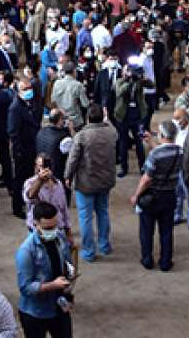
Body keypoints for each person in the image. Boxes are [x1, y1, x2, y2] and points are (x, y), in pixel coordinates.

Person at [64, 103, 116, 263]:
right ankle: (104, 244)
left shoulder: (82, 136)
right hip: (105, 180)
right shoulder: (111, 132)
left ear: (87, 118)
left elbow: (73, 159)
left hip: (85, 182)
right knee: (103, 212)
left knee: (85, 217)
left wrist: (68, 176)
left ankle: (89, 251)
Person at [15, 201, 75, 338]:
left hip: (59, 307)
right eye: (47, 228)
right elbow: (25, 288)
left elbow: (67, 263)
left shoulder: (59, 238)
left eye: (55, 226)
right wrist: (53, 285)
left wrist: (68, 283)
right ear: (35, 224)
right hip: (35, 313)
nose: (53, 231)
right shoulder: (26, 251)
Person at [130, 120, 182, 272]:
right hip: (169, 195)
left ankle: (147, 259)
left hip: (152, 197)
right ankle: (165, 261)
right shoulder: (180, 151)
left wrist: (136, 195)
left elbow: (146, 179)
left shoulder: (155, 154)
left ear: (162, 135)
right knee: (166, 231)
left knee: (147, 230)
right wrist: (152, 142)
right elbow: (166, 153)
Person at [8, 80, 42, 217]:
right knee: (20, 178)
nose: (29, 90)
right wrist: (19, 151)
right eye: (25, 88)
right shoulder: (15, 108)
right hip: (22, 150)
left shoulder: (31, 103)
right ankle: (17, 207)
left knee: (29, 177)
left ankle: (27, 200)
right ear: (18, 91)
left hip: (32, 146)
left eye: (29, 87)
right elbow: (13, 132)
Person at [112, 62, 151, 178]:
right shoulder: (119, 82)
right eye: (127, 70)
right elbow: (119, 92)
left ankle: (142, 167)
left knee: (139, 142)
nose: (130, 72)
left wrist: (142, 78)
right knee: (123, 143)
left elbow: (152, 85)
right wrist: (128, 80)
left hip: (137, 116)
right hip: (123, 117)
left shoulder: (139, 81)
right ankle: (124, 168)